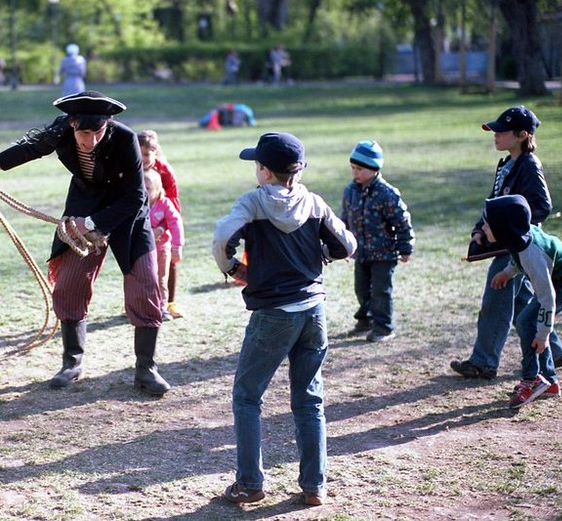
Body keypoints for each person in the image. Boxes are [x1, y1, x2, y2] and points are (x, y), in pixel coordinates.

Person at [0, 91, 171, 396]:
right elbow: (32, 148)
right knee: (69, 284)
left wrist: (89, 224)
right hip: (84, 205)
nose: (90, 140)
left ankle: (146, 369)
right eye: (83, 133)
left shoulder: (126, 139)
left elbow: (136, 197)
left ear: (107, 125)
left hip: (127, 215)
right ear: (72, 125)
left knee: (145, 284)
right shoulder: (61, 129)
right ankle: (71, 363)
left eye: (97, 132)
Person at [213, 132, 356, 507]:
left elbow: (222, 236)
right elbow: (348, 246)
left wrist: (232, 267)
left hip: (273, 315)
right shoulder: (314, 203)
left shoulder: (253, 203)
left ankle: (250, 484)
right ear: (299, 170)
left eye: (256, 164)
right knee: (309, 400)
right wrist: (321, 253)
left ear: (264, 171)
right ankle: (314, 486)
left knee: (247, 397)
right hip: (313, 311)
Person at [450, 105, 562, 379]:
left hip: (515, 247)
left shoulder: (528, 165)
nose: (495, 134)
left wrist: (512, 229)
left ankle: (484, 362)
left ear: (522, 135)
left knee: (496, 297)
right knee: (523, 301)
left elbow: (542, 206)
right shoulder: (505, 164)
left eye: (502, 131)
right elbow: (496, 203)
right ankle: (556, 351)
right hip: (507, 245)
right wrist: (481, 229)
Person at [481, 195, 562, 409]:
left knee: (527, 323)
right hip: (552, 278)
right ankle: (549, 382)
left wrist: (543, 335)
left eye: (487, 225)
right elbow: (516, 256)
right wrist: (508, 272)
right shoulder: (517, 238)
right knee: (526, 322)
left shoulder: (532, 255)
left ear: (504, 228)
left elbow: (547, 298)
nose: (483, 227)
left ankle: (533, 379)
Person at [341, 140, 414, 343]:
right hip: (361, 252)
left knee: (381, 291)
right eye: (353, 168)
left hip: (384, 254)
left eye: (360, 169)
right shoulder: (350, 191)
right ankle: (366, 320)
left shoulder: (387, 194)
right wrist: (343, 246)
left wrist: (405, 247)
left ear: (375, 169)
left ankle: (384, 327)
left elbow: (401, 222)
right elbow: (344, 221)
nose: (355, 173)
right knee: (361, 288)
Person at [137, 130, 183, 318]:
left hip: (163, 222)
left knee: (168, 262)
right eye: (138, 153)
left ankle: (169, 303)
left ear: (155, 153)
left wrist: (162, 228)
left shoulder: (164, 170)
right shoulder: (131, 166)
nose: (143, 158)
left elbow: (171, 202)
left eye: (147, 154)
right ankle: (138, 302)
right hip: (141, 225)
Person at [144, 169, 183, 322]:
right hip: (143, 250)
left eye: (148, 188)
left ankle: (161, 307)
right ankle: (144, 307)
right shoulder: (138, 204)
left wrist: (176, 246)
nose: (144, 192)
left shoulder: (164, 204)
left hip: (161, 249)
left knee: (161, 278)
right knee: (144, 279)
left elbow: (175, 222)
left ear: (157, 189)